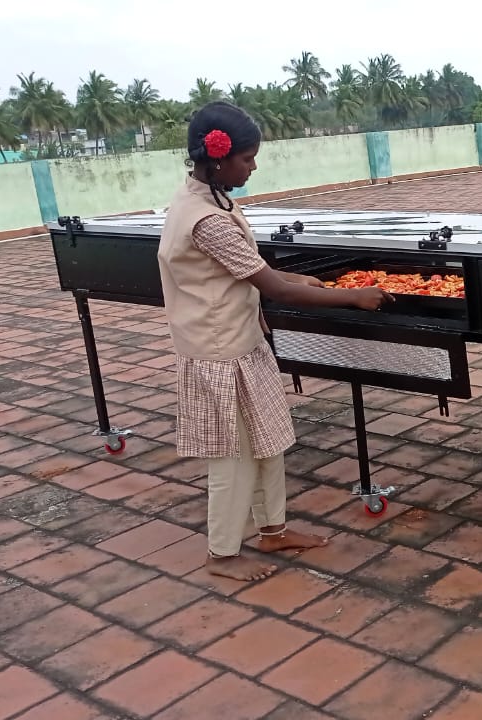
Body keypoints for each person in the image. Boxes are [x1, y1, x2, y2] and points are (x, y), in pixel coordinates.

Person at [158, 101, 394, 582]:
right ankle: (222, 555)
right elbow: (273, 289)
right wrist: (354, 297)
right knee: (234, 456)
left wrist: (300, 279)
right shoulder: (207, 220)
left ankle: (273, 529)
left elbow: (251, 272)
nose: (253, 166)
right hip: (220, 354)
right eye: (247, 158)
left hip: (243, 341)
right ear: (217, 158)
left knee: (269, 444)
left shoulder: (211, 197)